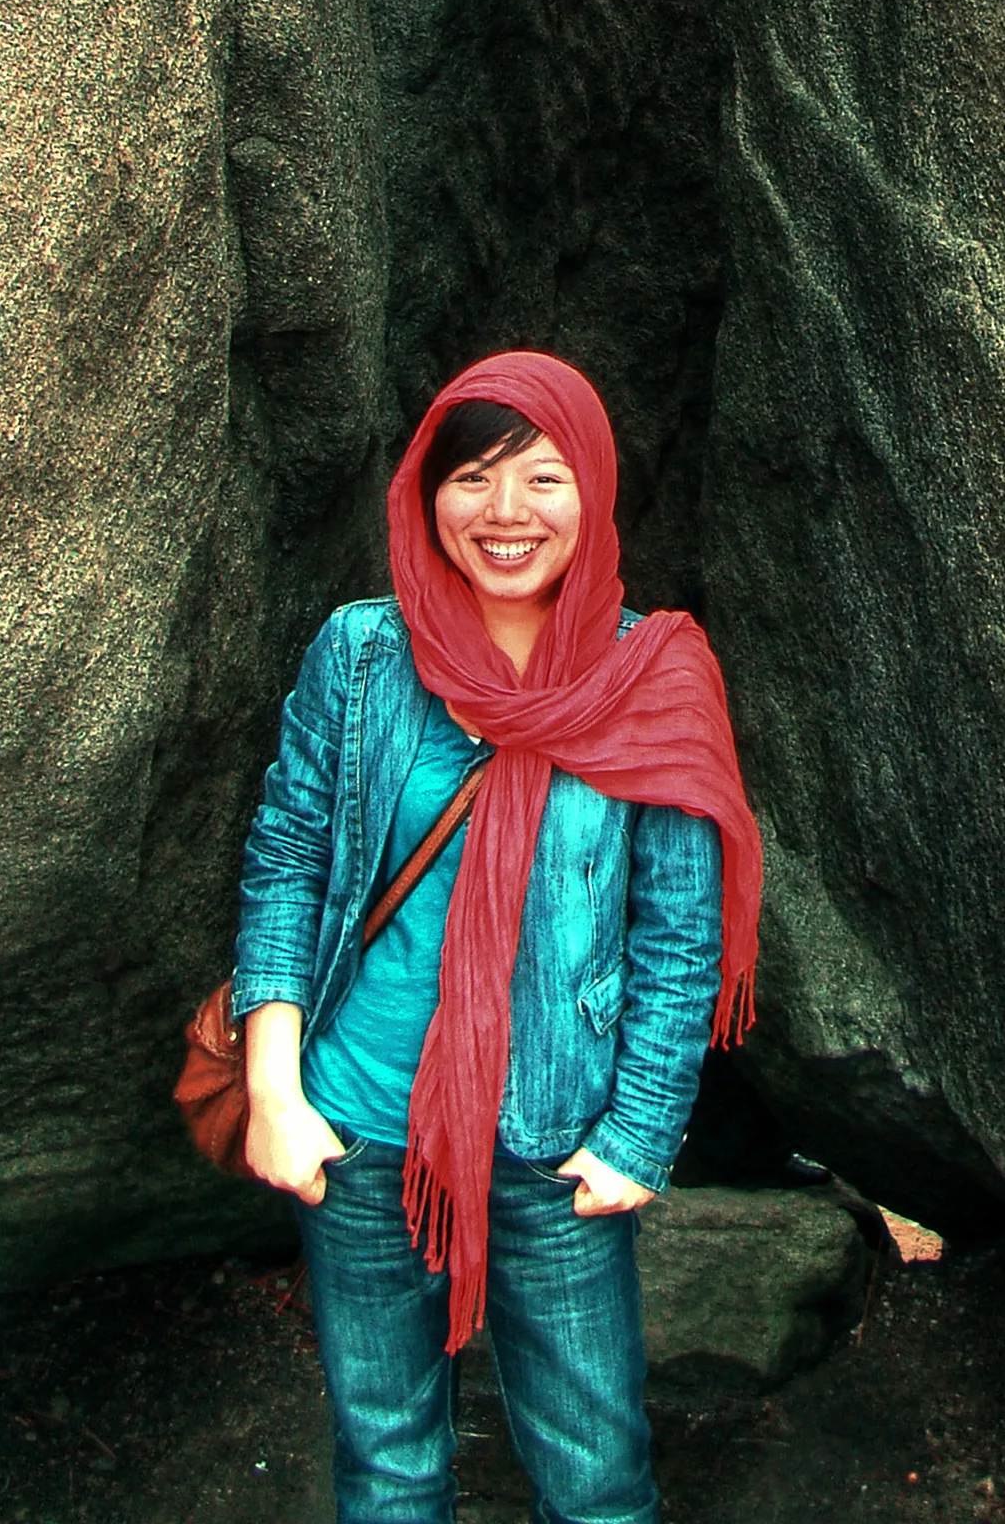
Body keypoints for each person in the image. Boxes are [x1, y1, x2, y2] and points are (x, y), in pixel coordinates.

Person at [231, 351, 762, 1524]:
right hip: (355, 1126)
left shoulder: (653, 673)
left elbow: (678, 939)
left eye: (543, 477)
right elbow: (287, 864)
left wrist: (637, 1139)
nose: (505, 512)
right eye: (471, 476)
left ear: (595, 488)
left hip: (555, 1140)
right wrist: (274, 1091)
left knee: (597, 1478)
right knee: (389, 1468)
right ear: (428, 492)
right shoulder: (362, 656)